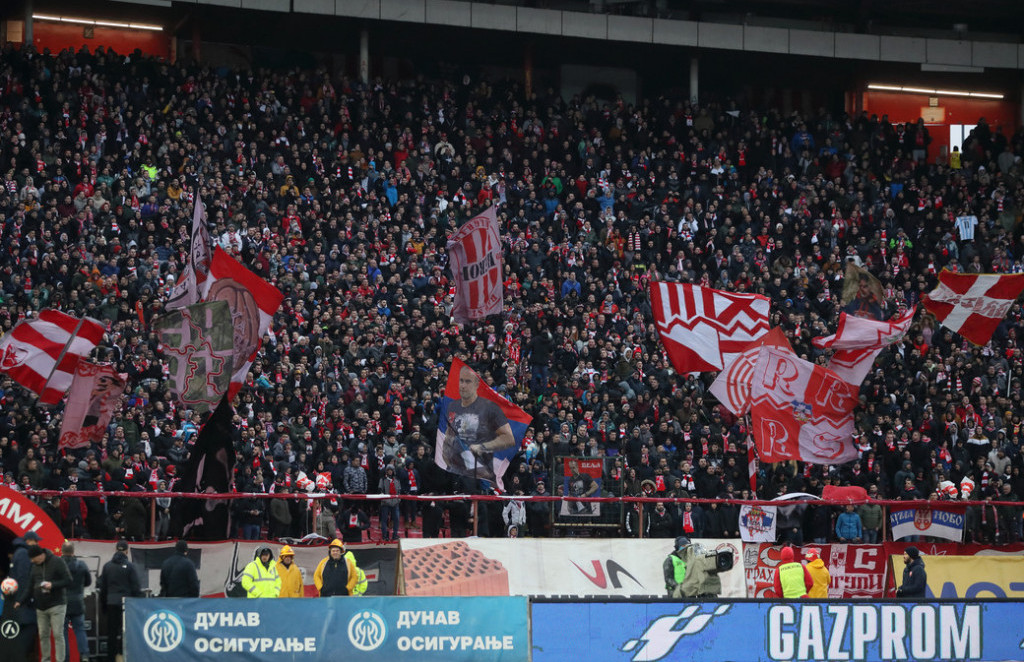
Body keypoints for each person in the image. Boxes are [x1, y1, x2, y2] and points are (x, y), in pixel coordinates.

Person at [439, 364, 515, 482]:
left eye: (467, 381)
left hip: (481, 470)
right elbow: (448, 436)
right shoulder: (452, 406)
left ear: (476, 385)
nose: (463, 386)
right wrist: (446, 457)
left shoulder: (491, 408)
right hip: (456, 471)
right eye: (461, 381)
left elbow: (509, 438)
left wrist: (483, 447)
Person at [14, 545, 71, 662]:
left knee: (57, 634)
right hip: (40, 607)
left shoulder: (57, 561)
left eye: (33, 559)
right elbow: (29, 587)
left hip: (57, 604)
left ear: (40, 556)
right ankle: (46, 659)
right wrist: (20, 601)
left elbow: (68, 580)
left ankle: (60, 660)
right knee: (43, 635)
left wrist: (53, 585)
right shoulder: (35, 567)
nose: (32, 562)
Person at [97, 540, 142, 662]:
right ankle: (123, 656)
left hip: (111, 603)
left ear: (116, 550)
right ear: (127, 551)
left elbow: (103, 588)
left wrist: (104, 606)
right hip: (126, 605)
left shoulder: (107, 566)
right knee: (125, 632)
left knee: (111, 633)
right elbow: (136, 588)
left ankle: (111, 658)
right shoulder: (131, 567)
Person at [9, 532, 40, 662]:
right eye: (36, 541)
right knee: (29, 628)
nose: (37, 544)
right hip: (24, 604)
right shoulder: (23, 554)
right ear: (29, 541)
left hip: (20, 602)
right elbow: (24, 579)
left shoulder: (19, 553)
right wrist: (27, 599)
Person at [62, 541, 92, 662]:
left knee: (62, 633)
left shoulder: (58, 564)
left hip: (62, 603)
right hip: (78, 602)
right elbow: (88, 582)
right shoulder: (82, 565)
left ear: (62, 551)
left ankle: (65, 658)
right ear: (73, 552)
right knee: (80, 630)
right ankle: (84, 655)